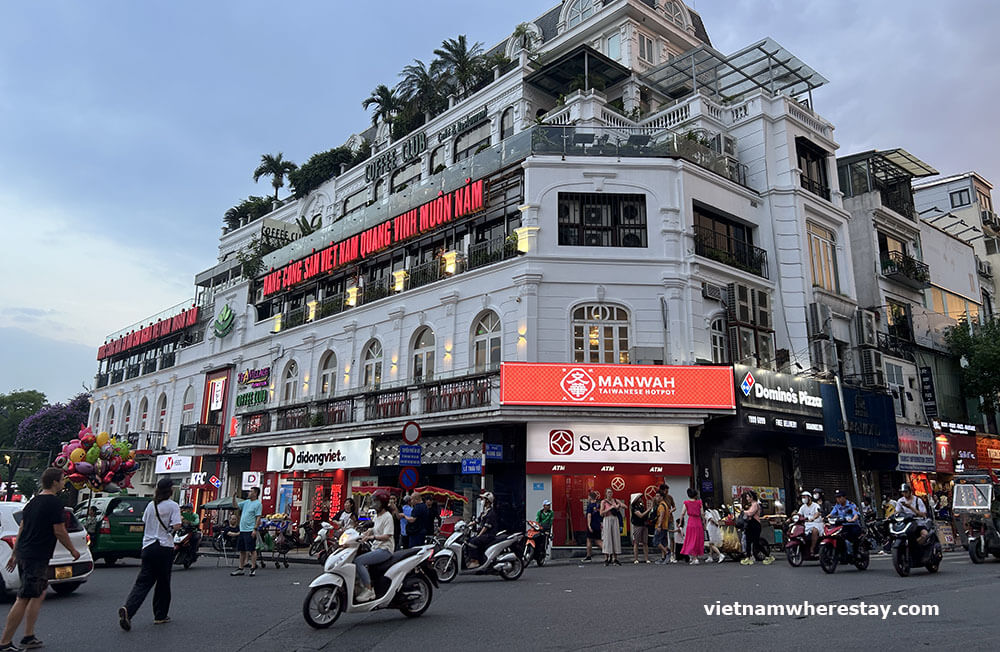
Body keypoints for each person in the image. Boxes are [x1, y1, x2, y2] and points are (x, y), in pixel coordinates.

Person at [0, 469, 80, 651]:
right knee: (24, 597)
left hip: (27, 553)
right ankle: (5, 642)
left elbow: (22, 528)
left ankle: (28, 636)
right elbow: (59, 530)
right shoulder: (54, 503)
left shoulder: (32, 502)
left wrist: (15, 553)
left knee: (39, 592)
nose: (64, 482)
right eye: (62, 480)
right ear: (54, 482)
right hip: (36, 555)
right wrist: (73, 550)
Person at [118, 477, 181, 632]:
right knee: (163, 583)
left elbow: (145, 521)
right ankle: (160, 615)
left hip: (148, 547)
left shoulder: (151, 505)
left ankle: (128, 609)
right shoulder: (173, 506)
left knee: (142, 583)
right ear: (170, 490)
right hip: (164, 547)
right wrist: (171, 529)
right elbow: (177, 525)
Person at [354, 490, 394, 603]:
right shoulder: (378, 516)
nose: (373, 504)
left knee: (359, 561)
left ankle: (369, 590)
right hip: (376, 547)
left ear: (382, 503)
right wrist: (367, 532)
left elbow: (387, 535)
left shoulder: (387, 517)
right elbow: (375, 528)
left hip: (385, 549)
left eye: (376, 501)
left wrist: (372, 537)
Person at [230, 486, 262, 576]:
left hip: (250, 530)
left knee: (252, 549)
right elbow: (235, 506)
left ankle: (253, 568)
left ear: (255, 493)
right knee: (242, 550)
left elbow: (258, 517)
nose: (249, 493)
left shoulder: (258, 504)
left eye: (251, 491)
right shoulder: (246, 502)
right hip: (242, 529)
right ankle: (241, 568)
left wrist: (255, 529)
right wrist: (234, 497)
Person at [741, 490, 773, 565]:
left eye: (748, 497)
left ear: (751, 497)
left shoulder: (755, 504)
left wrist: (743, 512)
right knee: (748, 541)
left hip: (755, 525)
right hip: (751, 525)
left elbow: (751, 513)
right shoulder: (751, 505)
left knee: (756, 543)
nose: (747, 498)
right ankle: (748, 558)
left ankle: (768, 556)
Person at [467, 492, 498, 569]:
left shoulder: (491, 513)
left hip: (488, 535)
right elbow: (477, 521)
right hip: (484, 534)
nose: (482, 501)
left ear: (487, 501)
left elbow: (485, 527)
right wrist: (466, 525)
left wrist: (479, 535)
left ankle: (476, 561)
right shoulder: (485, 512)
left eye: (483, 499)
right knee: (469, 540)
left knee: (473, 541)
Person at [829, 490, 862, 555]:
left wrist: (853, 519)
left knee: (853, 537)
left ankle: (855, 552)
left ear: (844, 497)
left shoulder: (851, 504)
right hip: (842, 526)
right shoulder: (837, 506)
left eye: (839, 497)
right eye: (837, 497)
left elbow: (856, 514)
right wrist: (825, 518)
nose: (838, 499)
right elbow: (831, 514)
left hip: (852, 525)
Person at [678, 488, 705, 565]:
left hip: (691, 522)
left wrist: (680, 522)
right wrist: (704, 522)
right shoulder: (699, 502)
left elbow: (682, 513)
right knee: (697, 539)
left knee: (691, 539)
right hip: (698, 522)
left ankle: (694, 558)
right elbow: (702, 513)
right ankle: (695, 557)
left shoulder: (686, 503)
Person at [599, 488, 625, 566]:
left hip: (615, 519)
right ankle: (606, 558)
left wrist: (619, 505)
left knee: (615, 538)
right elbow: (601, 513)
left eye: (611, 492)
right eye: (608, 492)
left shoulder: (615, 500)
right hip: (607, 519)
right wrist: (610, 508)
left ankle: (615, 558)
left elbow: (625, 506)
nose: (610, 494)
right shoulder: (603, 502)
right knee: (607, 538)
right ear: (606, 494)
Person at [797, 490, 823, 556]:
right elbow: (799, 514)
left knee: (815, 531)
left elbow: (817, 513)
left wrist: (813, 518)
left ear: (809, 498)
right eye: (802, 497)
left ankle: (812, 548)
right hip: (806, 524)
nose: (803, 499)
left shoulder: (815, 505)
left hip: (816, 523)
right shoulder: (803, 507)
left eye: (804, 497)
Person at [630, 496, 651, 564]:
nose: (641, 499)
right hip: (637, 525)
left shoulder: (642, 506)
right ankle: (636, 559)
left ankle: (646, 558)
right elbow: (641, 515)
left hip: (644, 525)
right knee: (636, 542)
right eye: (639, 498)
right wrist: (648, 510)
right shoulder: (634, 508)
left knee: (645, 542)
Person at [659, 484, 677, 562]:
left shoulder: (670, 497)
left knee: (671, 537)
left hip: (670, 519)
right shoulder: (659, 498)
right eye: (665, 491)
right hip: (662, 520)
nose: (666, 492)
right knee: (663, 538)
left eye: (667, 491)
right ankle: (664, 554)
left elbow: (674, 507)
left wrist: (671, 510)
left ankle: (672, 554)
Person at [703, 498, 724, 563]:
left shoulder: (707, 511)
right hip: (716, 528)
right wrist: (718, 524)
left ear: (707, 504)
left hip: (710, 527)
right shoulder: (716, 511)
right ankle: (710, 556)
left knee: (711, 543)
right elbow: (719, 519)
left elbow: (711, 519)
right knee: (712, 542)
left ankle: (720, 555)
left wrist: (715, 523)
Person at [583, 491, 602, 562]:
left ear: (590, 497)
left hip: (592, 524)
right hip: (598, 525)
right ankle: (608, 553)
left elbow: (589, 516)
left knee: (589, 540)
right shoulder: (598, 505)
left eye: (588, 497)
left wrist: (589, 525)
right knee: (598, 540)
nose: (587, 498)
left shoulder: (590, 506)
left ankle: (588, 556)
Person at [653, 494, 670, 564]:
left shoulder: (661, 506)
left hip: (661, 526)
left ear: (661, 497)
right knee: (663, 542)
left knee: (656, 541)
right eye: (656, 496)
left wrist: (659, 526)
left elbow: (661, 516)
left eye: (658, 496)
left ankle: (667, 552)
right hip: (665, 526)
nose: (656, 498)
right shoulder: (665, 505)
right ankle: (663, 558)